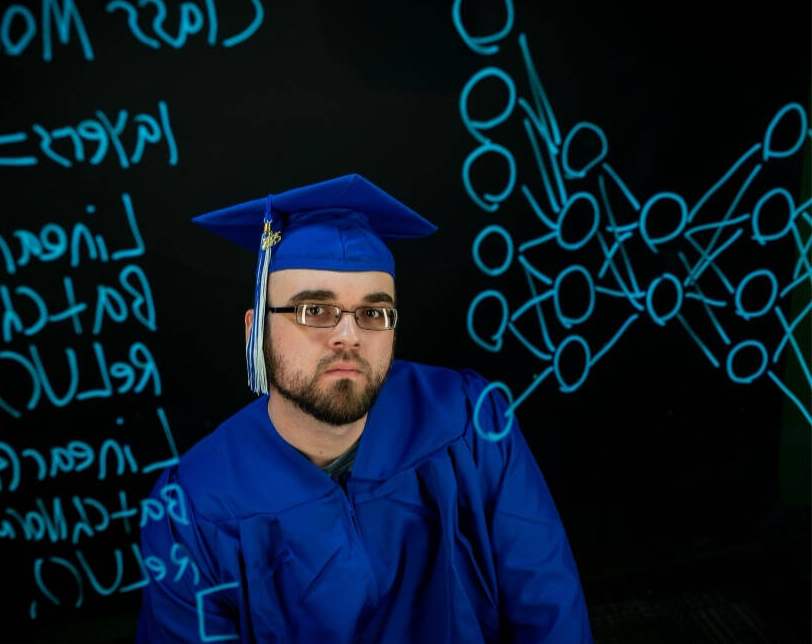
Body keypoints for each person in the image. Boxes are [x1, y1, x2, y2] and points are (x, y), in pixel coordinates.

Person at [136, 174, 592, 643]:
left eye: (373, 313)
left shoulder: (471, 421)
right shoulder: (190, 508)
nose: (348, 336)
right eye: (314, 310)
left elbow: (550, 610)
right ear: (255, 331)